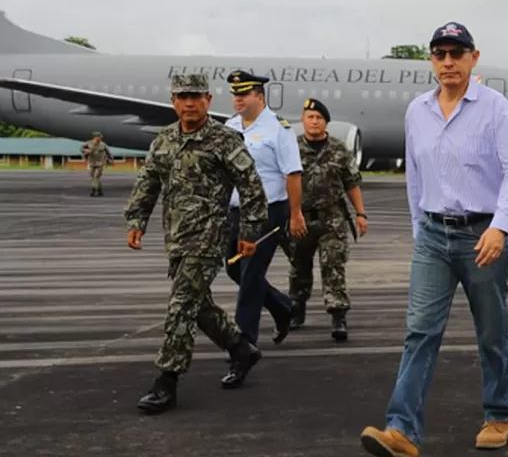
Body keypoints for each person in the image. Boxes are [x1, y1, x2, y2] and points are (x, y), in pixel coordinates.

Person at [359, 21, 508, 457]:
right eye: (440, 54)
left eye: (457, 53)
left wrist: (501, 226)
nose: (449, 62)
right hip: (434, 236)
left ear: (473, 57)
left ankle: (498, 415)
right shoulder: (418, 111)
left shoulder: (495, 107)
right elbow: (414, 175)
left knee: (491, 331)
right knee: (420, 331)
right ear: (431, 60)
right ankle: (401, 430)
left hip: (482, 234)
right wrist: (420, 231)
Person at [124, 73, 267, 414]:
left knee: (180, 305)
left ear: (208, 100)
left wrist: (249, 232)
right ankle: (240, 349)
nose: (189, 103)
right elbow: (148, 183)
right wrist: (136, 220)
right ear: (173, 101)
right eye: (182, 97)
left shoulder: (224, 140)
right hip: (175, 237)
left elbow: (251, 187)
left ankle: (166, 381)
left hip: (208, 237)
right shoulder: (163, 141)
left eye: (196, 96)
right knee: (198, 306)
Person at [223, 70, 301, 347]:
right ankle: (282, 306)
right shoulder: (230, 127)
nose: (238, 100)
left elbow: (292, 173)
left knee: (251, 274)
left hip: (268, 212)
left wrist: (295, 214)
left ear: (259, 96)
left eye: (243, 94)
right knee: (233, 269)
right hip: (235, 212)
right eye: (235, 95)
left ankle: (244, 345)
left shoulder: (279, 129)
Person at [284, 98, 368, 339]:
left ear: (326, 122)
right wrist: (290, 214)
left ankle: (338, 316)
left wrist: (360, 214)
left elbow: (351, 183)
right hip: (301, 218)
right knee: (299, 267)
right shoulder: (292, 148)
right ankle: (296, 309)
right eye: (310, 117)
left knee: (333, 266)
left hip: (332, 218)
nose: (314, 122)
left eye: (319, 118)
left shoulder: (339, 149)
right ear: (303, 120)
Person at [80, 131, 113, 196]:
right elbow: (81, 148)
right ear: (95, 137)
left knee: (96, 176)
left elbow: (108, 152)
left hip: (100, 163)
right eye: (99, 137)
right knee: (94, 177)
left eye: (100, 137)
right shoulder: (88, 143)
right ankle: (100, 190)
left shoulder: (103, 144)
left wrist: (111, 159)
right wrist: (86, 150)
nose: (100, 138)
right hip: (91, 163)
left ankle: (93, 190)